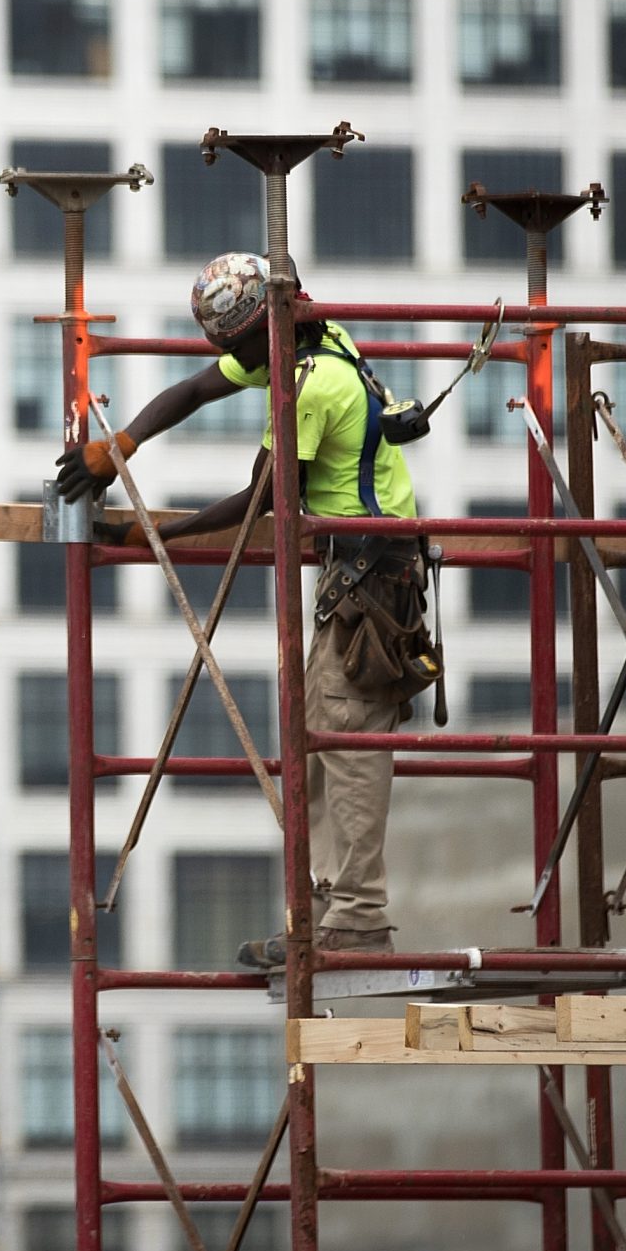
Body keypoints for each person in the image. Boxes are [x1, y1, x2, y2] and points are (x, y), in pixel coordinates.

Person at [52, 252, 433, 959]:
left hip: (374, 583)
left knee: (346, 743)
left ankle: (357, 918)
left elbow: (261, 499)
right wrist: (123, 445)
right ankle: (328, 916)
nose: (225, 358)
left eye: (230, 345)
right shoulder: (302, 339)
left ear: (254, 331)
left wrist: (158, 532)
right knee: (316, 740)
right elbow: (196, 390)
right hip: (353, 578)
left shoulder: (312, 383)